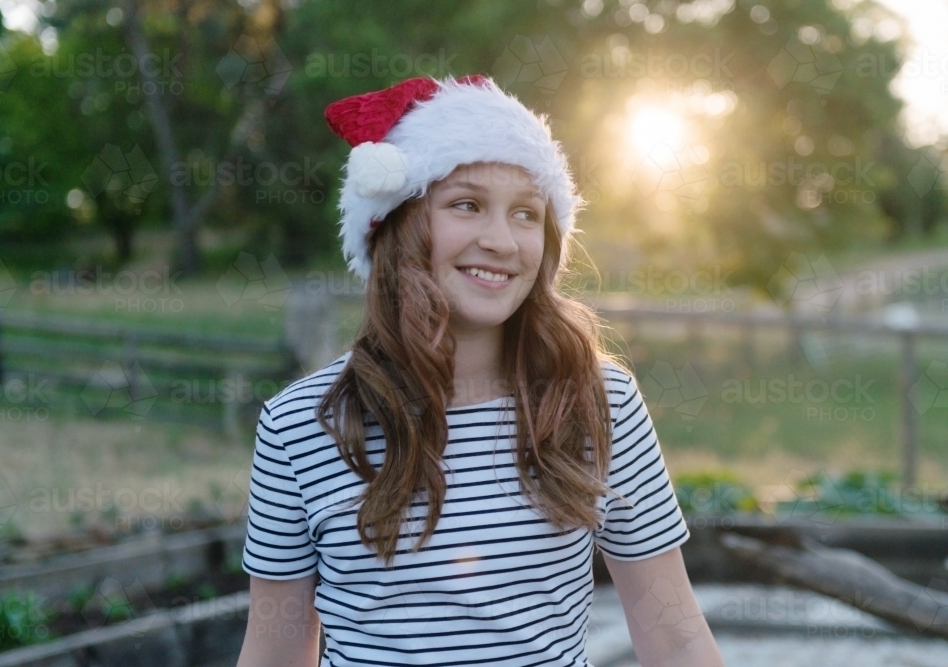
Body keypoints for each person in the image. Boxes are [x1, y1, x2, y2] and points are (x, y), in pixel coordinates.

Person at [235, 74, 724, 667]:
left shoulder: (599, 401)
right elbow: (275, 652)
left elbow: (674, 636)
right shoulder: (300, 424)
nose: (501, 240)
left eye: (525, 214)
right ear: (396, 223)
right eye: (466, 205)